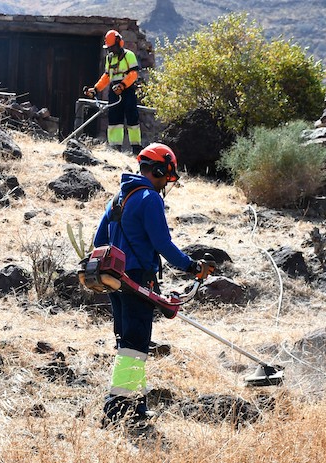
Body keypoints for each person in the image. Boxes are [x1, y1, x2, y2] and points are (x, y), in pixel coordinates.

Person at [92, 143, 210, 426]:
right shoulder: (149, 198)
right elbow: (162, 244)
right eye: (164, 177)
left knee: (129, 342)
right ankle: (118, 409)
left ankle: (136, 405)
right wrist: (191, 266)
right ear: (158, 170)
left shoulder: (118, 198)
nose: (164, 184)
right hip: (138, 280)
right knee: (135, 345)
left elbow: (99, 242)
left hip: (115, 280)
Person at [84, 29, 143, 155]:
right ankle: (115, 148)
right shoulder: (109, 59)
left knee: (132, 118)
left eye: (112, 47)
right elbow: (106, 77)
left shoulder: (129, 55)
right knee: (114, 120)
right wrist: (95, 89)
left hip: (128, 91)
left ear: (119, 43)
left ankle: (136, 148)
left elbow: (133, 74)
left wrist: (123, 85)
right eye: (109, 48)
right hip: (114, 92)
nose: (110, 50)